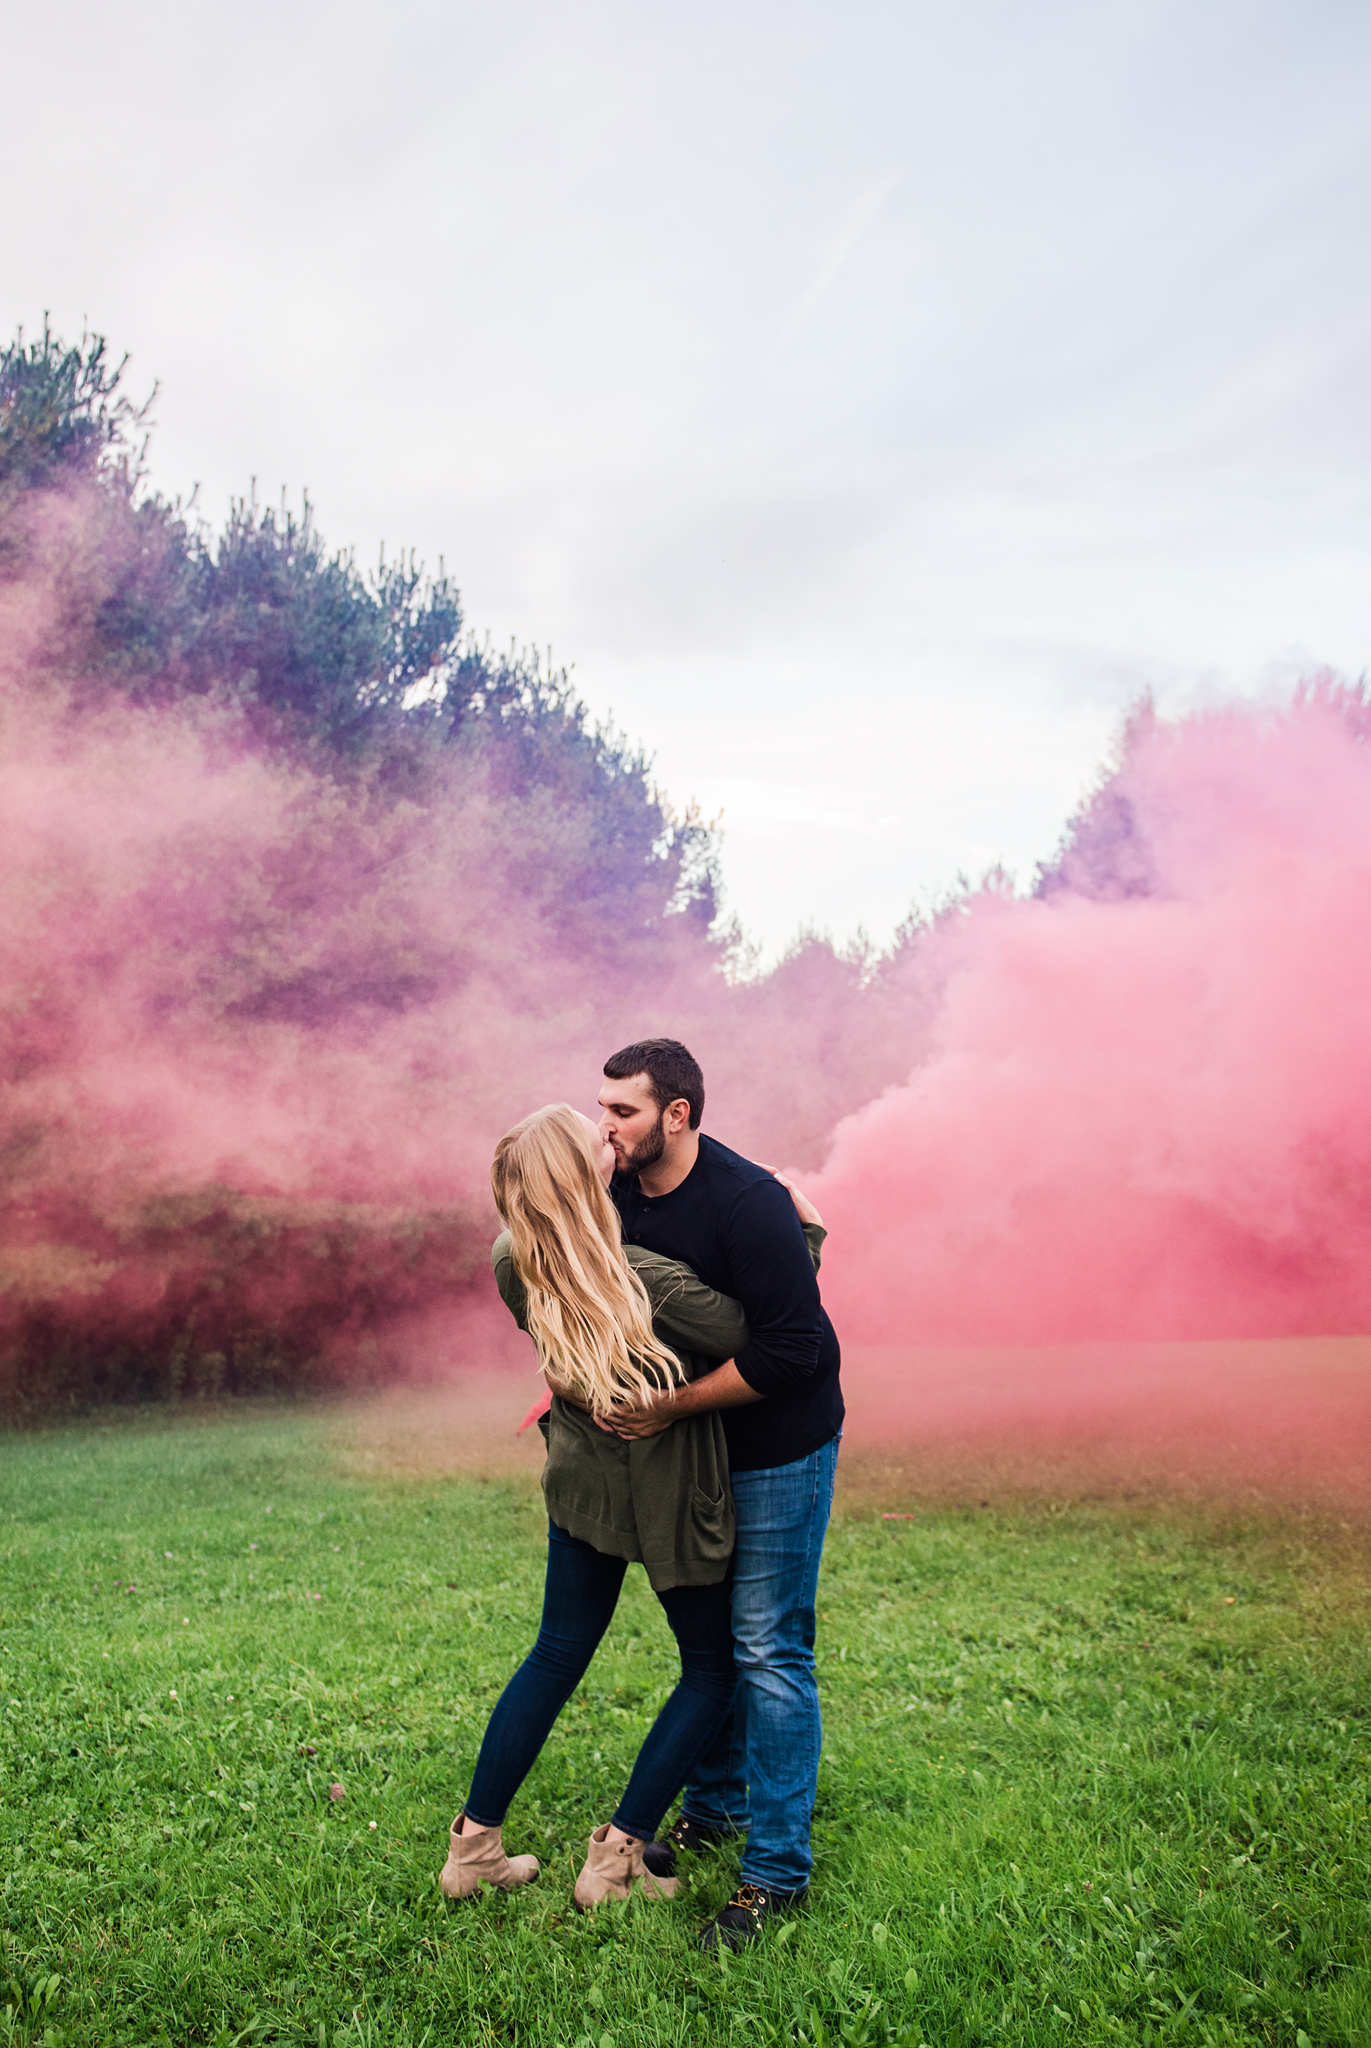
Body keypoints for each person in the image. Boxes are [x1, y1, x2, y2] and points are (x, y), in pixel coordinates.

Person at [439, 1102, 825, 1913]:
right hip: (665, 1489)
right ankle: (615, 1862)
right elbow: (759, 1329)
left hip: (581, 1484)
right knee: (713, 1668)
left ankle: (472, 1851)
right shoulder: (646, 1276)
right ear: (586, 1180)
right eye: (596, 1140)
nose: (610, 1137)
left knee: (554, 1654)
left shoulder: (513, 1258)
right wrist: (807, 1229)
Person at [596, 1038, 842, 1951]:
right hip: (689, 1452)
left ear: (678, 1114)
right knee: (710, 1640)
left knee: (767, 1646)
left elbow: (792, 1352)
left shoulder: (749, 1204)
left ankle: (774, 1877)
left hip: (777, 1443)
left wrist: (667, 1409)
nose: (605, 1126)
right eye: (601, 1108)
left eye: (622, 1111)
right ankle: (717, 1806)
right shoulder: (616, 1194)